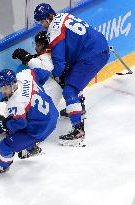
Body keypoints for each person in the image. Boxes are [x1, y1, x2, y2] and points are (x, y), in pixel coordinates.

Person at [33, 3, 109, 146]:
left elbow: (59, 62)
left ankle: (78, 131)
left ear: (49, 17)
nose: (42, 25)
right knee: (70, 76)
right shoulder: (64, 16)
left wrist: (55, 75)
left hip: (91, 55)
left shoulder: (54, 29)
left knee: (69, 90)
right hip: (96, 48)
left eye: (42, 21)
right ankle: (79, 107)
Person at [0, 68, 59, 175]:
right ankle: (30, 149)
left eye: (5, 88)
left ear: (13, 84)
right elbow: (45, 73)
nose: (3, 91)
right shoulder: (25, 75)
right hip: (52, 114)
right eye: (1, 88)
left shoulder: (15, 103)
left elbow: (20, 124)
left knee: (5, 145)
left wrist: (4, 124)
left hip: (40, 128)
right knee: (15, 132)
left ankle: (2, 167)